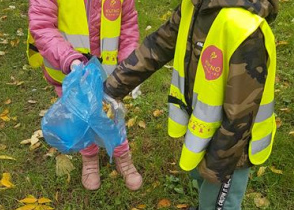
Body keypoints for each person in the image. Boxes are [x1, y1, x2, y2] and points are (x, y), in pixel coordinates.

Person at [104, 0, 278, 208]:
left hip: (230, 150)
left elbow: (241, 114)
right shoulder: (195, 5)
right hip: (203, 128)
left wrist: (217, 167)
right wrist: (111, 87)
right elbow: (160, 44)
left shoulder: (243, 28)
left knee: (218, 202)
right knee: (203, 186)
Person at [28, 0, 142, 191]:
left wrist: (130, 67)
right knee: (79, 117)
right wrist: (69, 59)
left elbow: (128, 25)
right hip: (70, 71)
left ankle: (122, 155)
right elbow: (42, 25)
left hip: (108, 71)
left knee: (112, 115)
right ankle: (89, 157)